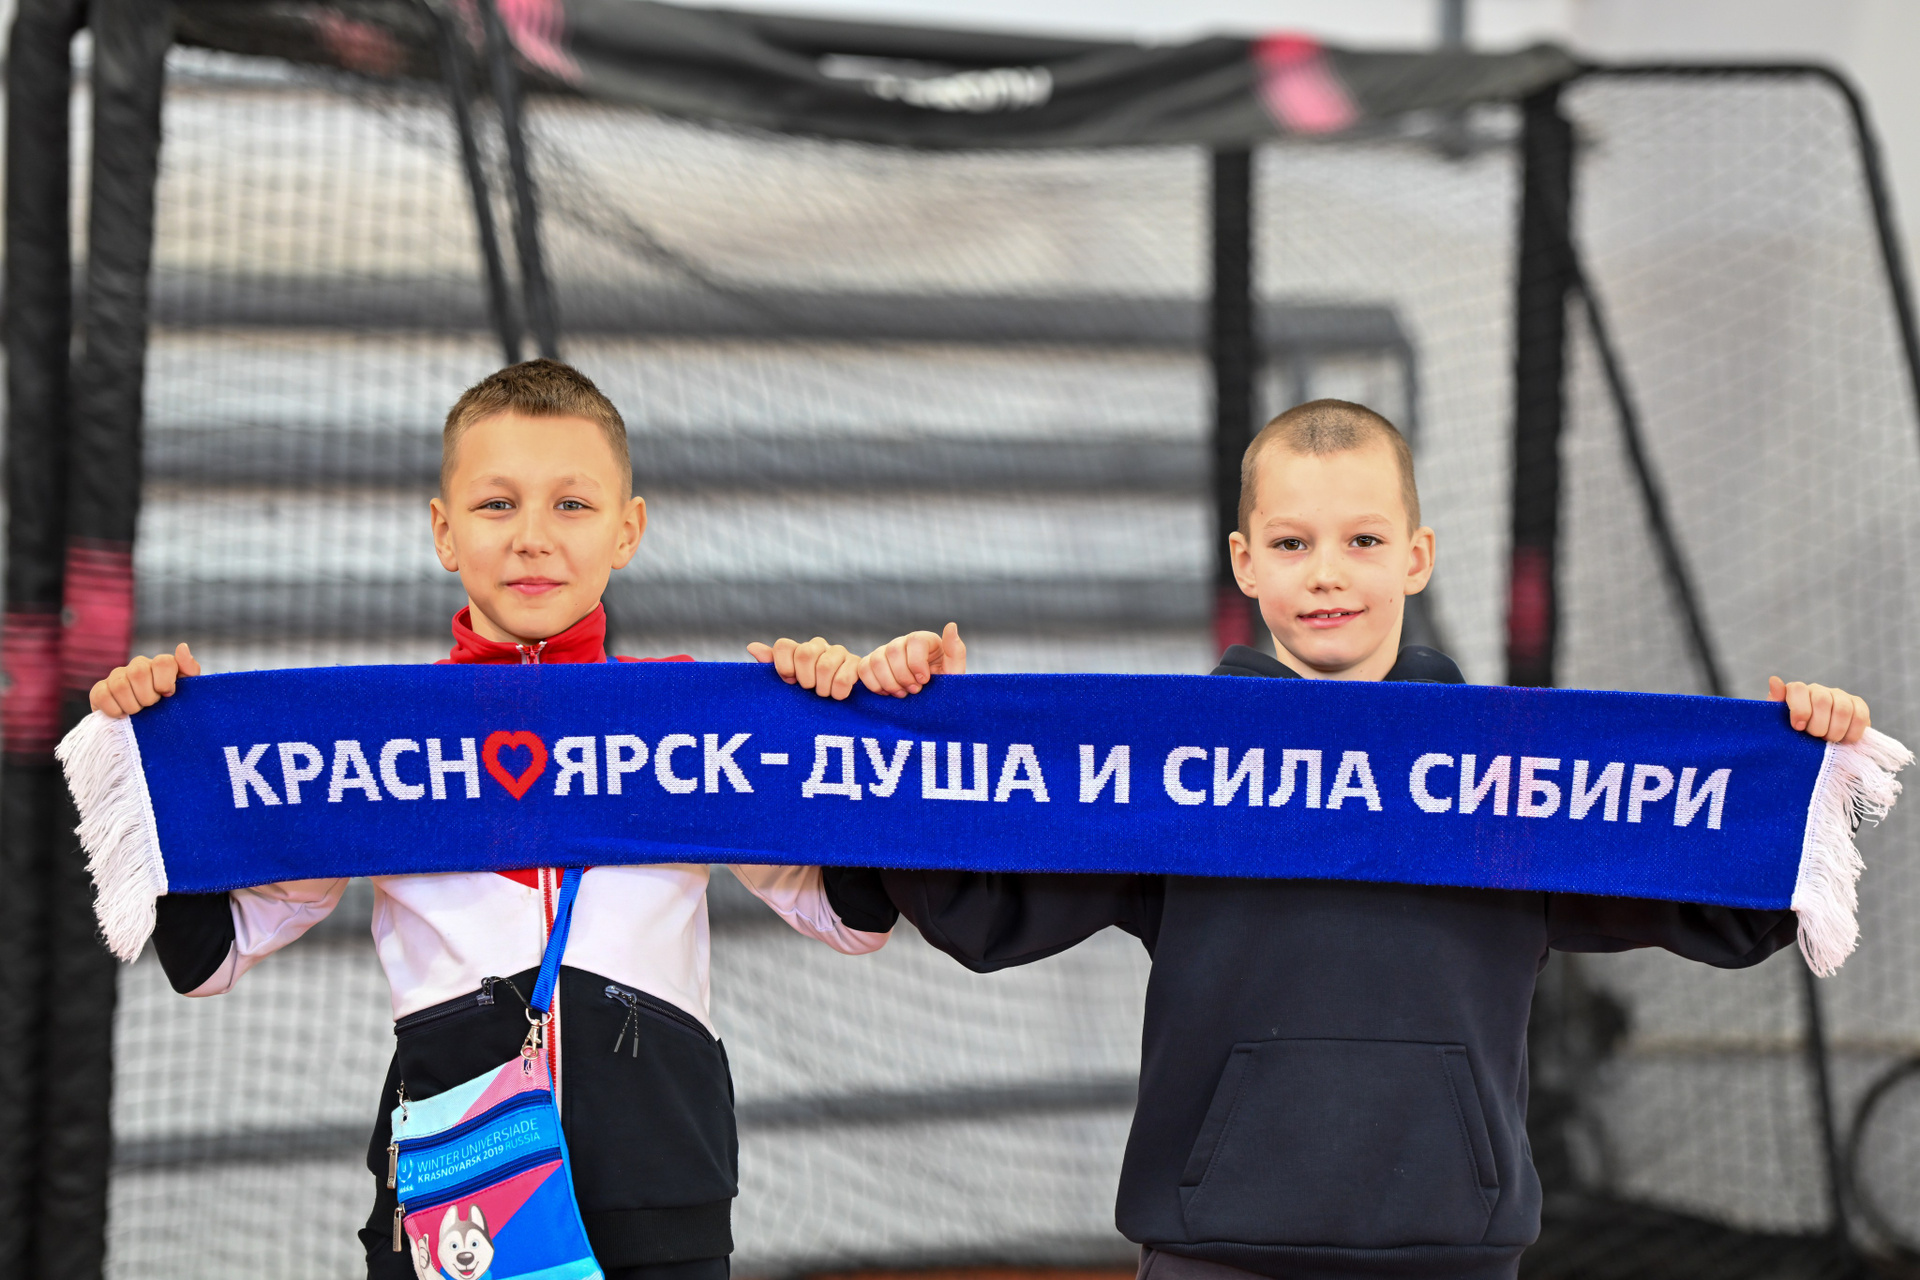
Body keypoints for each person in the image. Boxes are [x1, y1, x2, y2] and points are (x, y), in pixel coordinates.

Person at [826, 399, 1871, 1280]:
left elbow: (1722, 898)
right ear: (1246, 562)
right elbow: (982, 913)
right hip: (1213, 1246)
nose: (1327, 573)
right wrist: (912, 738)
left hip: (1454, 1249)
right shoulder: (1168, 763)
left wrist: (1801, 771)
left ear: (1416, 557)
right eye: (1292, 543)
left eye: (1363, 541)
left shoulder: (1514, 775)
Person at [91, 358, 891, 1280]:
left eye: (572, 505)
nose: (533, 539)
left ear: (628, 530)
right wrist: (170, 764)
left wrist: (858, 719)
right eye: (497, 504)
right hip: (455, 1203)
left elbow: (849, 919)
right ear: (445, 531)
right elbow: (211, 958)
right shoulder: (379, 736)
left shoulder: (693, 717)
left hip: (663, 1201)